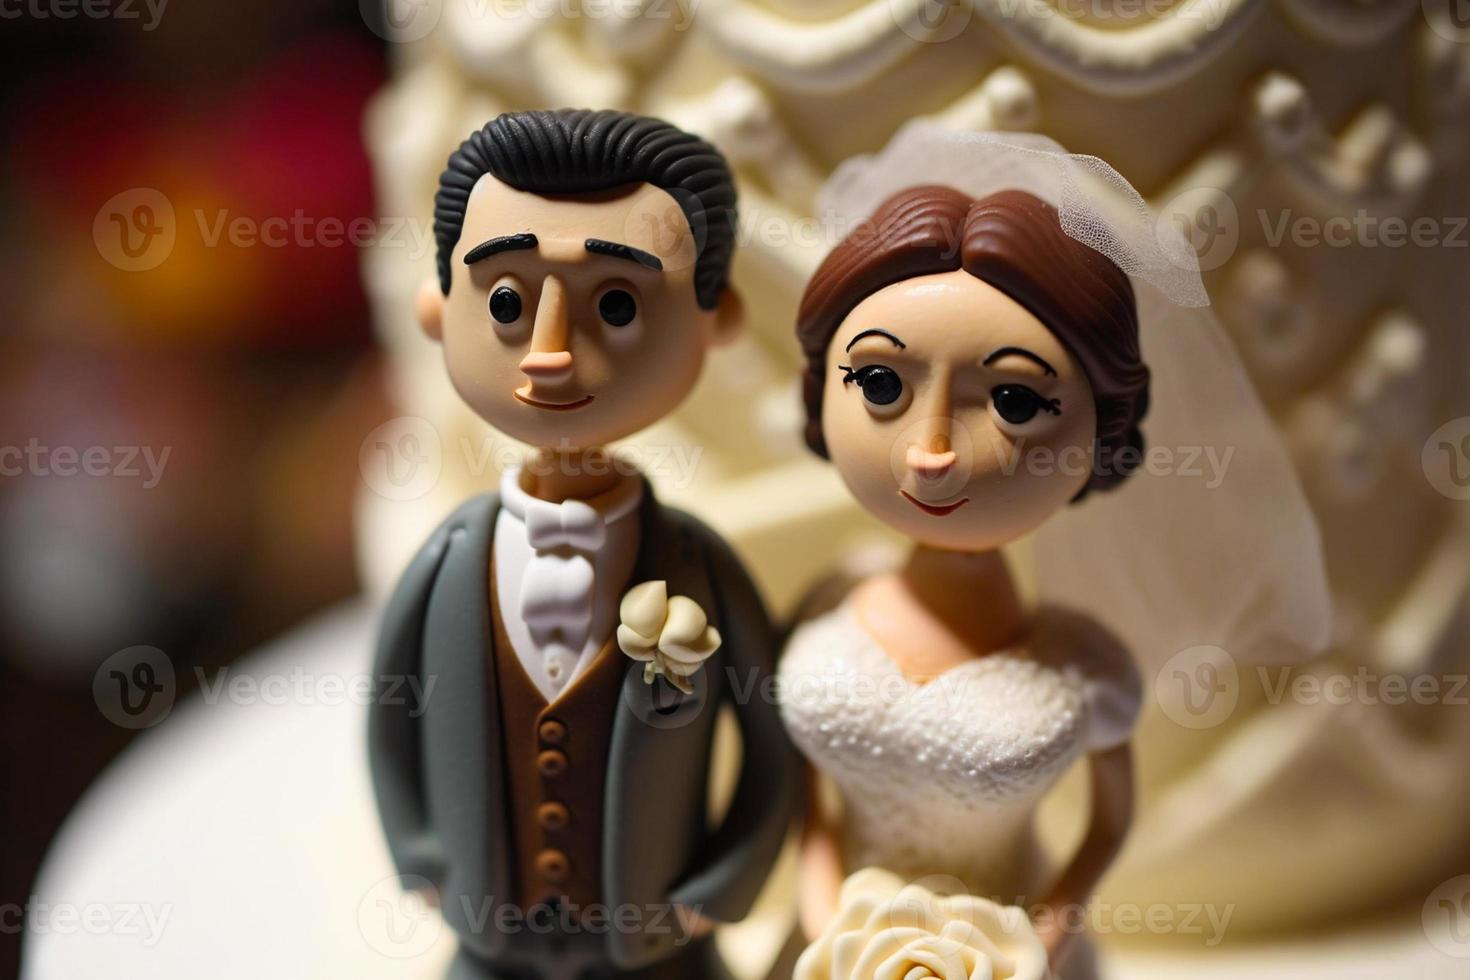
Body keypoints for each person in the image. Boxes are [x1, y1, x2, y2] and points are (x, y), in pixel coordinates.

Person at [369, 108, 799, 980]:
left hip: (657, 949)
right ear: (435, 305)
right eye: (505, 301)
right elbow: (391, 712)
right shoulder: (449, 563)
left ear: (716, 322)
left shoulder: (702, 570)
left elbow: (772, 737)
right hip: (490, 940)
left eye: (615, 303)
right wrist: (420, 855)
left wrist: (723, 883)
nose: (553, 355)